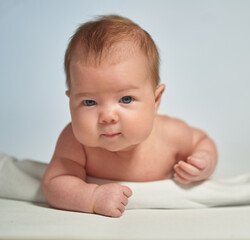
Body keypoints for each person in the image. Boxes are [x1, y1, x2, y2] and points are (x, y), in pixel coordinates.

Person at [42, 15, 218, 218]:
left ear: (155, 100)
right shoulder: (74, 142)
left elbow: (202, 141)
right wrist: (92, 197)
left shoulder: (170, 135)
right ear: (70, 101)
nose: (107, 117)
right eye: (89, 102)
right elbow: (55, 183)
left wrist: (205, 162)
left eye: (126, 99)